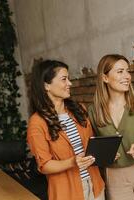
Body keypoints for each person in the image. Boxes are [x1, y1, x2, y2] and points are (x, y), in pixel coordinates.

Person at [27, 60, 105, 200]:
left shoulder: (79, 110)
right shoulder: (37, 122)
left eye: (68, 78)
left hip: (96, 185)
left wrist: (105, 153)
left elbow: (90, 145)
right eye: (64, 79)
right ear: (46, 86)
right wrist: (72, 162)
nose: (69, 83)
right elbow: (44, 165)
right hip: (67, 193)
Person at [88, 54, 134, 200]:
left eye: (128, 71)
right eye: (120, 71)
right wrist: (105, 154)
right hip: (114, 175)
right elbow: (92, 147)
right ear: (105, 78)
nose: (127, 76)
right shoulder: (94, 111)